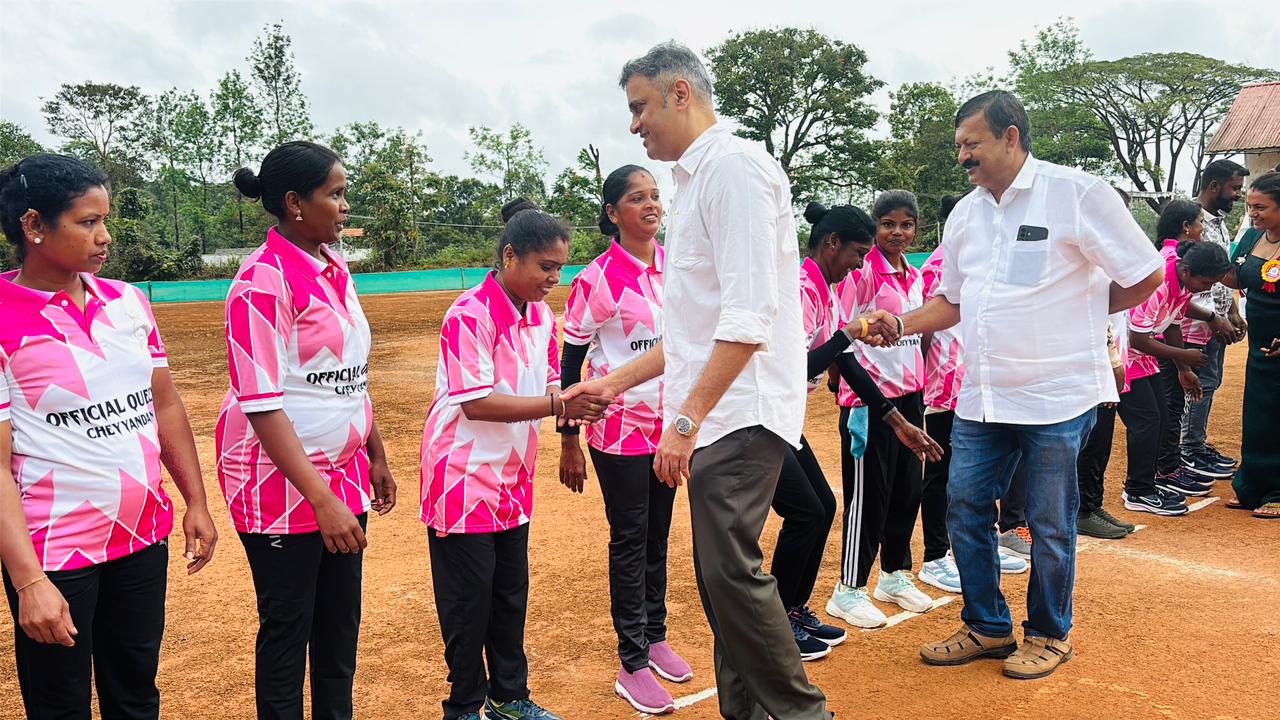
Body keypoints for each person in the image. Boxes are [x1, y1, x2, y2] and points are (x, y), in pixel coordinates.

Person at [564, 41, 834, 719]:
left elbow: (748, 317)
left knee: (729, 576)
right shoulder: (698, 180)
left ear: (680, 93)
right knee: (722, 586)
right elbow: (691, 334)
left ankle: (804, 713)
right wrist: (612, 383)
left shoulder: (733, 170)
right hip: (719, 413)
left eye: (640, 107)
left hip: (739, 412)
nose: (634, 125)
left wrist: (683, 422)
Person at [896, 90, 1164, 680]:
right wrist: (900, 324)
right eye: (960, 146)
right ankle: (988, 626)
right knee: (964, 507)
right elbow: (952, 301)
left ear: (1011, 136)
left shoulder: (1077, 193)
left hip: (1057, 395)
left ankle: (1048, 632)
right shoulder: (966, 215)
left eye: (972, 143)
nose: (963, 156)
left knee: (1048, 521)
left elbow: (1146, 273)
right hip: (984, 395)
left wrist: (1083, 311)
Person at [0, 153, 218, 719]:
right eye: (88, 221)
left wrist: (195, 500)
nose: (106, 236)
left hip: (142, 535)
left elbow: (163, 403)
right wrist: (28, 582)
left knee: (136, 694)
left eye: (105, 219)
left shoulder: (128, 301)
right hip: (56, 550)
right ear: (33, 225)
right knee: (61, 704)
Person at [222, 141, 397, 720]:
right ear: (295, 203)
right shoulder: (261, 283)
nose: (346, 206)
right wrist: (321, 500)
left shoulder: (334, 266)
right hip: (279, 487)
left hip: (343, 478)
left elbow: (348, 373)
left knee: (339, 628)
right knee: (288, 630)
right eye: (336, 194)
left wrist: (374, 452)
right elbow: (261, 405)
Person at [420, 209, 609, 720]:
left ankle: (509, 697)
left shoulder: (541, 316)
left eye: (561, 268)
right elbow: (476, 403)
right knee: (468, 604)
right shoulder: (470, 314)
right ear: (510, 256)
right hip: (461, 479)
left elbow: (550, 380)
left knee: (509, 595)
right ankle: (463, 707)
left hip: (511, 478)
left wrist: (572, 404)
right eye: (546, 267)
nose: (555, 279)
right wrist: (559, 404)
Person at [556, 165, 691, 715]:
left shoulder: (675, 265)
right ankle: (631, 662)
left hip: (668, 428)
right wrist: (568, 438)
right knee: (631, 538)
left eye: (655, 195)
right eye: (638, 198)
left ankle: (655, 637)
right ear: (613, 213)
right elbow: (571, 362)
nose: (651, 205)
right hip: (618, 431)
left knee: (658, 534)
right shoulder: (598, 279)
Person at [787, 202, 941, 650]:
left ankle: (883, 578)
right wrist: (851, 335)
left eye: (907, 224)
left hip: (895, 396)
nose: (860, 261)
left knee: (885, 495)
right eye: (858, 251)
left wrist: (898, 418)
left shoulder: (836, 287)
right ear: (835, 243)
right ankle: (842, 591)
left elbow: (841, 348)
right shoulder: (812, 287)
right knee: (846, 503)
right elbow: (814, 360)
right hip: (788, 414)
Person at [825, 191, 938, 627]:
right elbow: (839, 335)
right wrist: (840, 381)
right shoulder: (862, 273)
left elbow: (920, 333)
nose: (897, 232)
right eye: (888, 224)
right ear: (875, 227)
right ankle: (848, 588)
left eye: (906, 225)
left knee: (907, 490)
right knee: (868, 496)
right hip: (870, 400)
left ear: (916, 229)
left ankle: (894, 573)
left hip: (911, 394)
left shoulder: (914, 275)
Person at [918, 196, 1029, 593]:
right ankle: (935, 555)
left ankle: (981, 542)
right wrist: (924, 380)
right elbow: (927, 328)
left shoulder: (983, 261)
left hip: (981, 383)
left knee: (986, 470)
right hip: (945, 386)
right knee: (942, 473)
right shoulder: (936, 267)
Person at [1120, 237, 1232, 516]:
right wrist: (1184, 356)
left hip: (1141, 356)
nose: (1207, 289)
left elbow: (1172, 325)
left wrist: (1184, 370)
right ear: (1186, 272)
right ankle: (1137, 491)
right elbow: (1137, 338)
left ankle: (1148, 483)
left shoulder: (1181, 284)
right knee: (1146, 421)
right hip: (1123, 354)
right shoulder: (1159, 284)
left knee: (1160, 416)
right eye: (1206, 282)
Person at [1178, 160, 1249, 479]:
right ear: (1214, 186)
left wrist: (1231, 309)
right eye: (1235, 188)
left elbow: (1220, 274)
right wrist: (1213, 319)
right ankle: (1188, 450)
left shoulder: (1217, 222)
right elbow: (1186, 278)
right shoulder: (1191, 223)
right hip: (1196, 323)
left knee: (1211, 382)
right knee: (1199, 384)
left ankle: (1197, 443)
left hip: (1217, 321)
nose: (1238, 195)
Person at [1225, 171, 1280, 518]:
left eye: (1261, 207)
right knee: (1258, 416)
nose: (1253, 213)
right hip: (1260, 346)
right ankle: (1252, 486)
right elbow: (1235, 276)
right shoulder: (1251, 238)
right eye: (1250, 206)